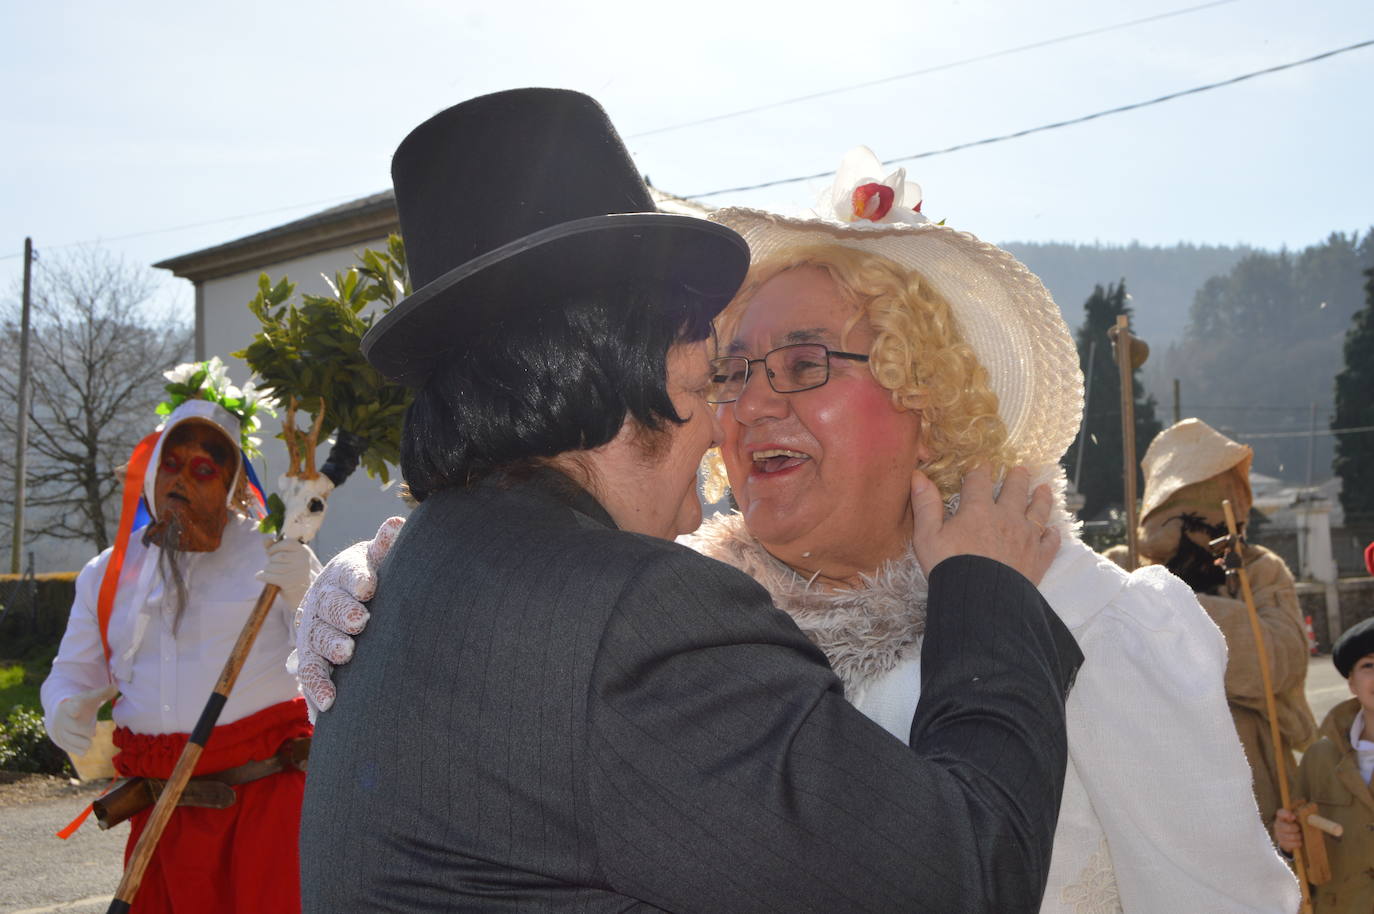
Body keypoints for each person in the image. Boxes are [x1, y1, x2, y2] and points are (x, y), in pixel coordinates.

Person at [303, 146, 1301, 911]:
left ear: (926, 396)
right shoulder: (671, 605)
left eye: (806, 362)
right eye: (730, 370)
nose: (742, 407)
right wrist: (364, 578)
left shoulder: (1090, 621)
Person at [41, 359, 320, 914]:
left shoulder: (275, 558)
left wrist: (306, 590)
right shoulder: (107, 573)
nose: (180, 482)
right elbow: (75, 670)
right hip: (158, 819)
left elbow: (335, 659)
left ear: (237, 486)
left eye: (202, 470)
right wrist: (62, 706)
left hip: (261, 816)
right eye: (170, 466)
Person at [1107, 417, 1317, 831]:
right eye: (1191, 522)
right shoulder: (1118, 571)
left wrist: (1172, 607)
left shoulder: (1258, 571)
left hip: (1253, 785)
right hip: (1151, 785)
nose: (1210, 537)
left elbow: (1279, 662)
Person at [1272, 616, 1374, 912]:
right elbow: (1296, 855)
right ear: (1352, 682)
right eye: (1369, 666)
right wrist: (1286, 845)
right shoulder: (1319, 759)